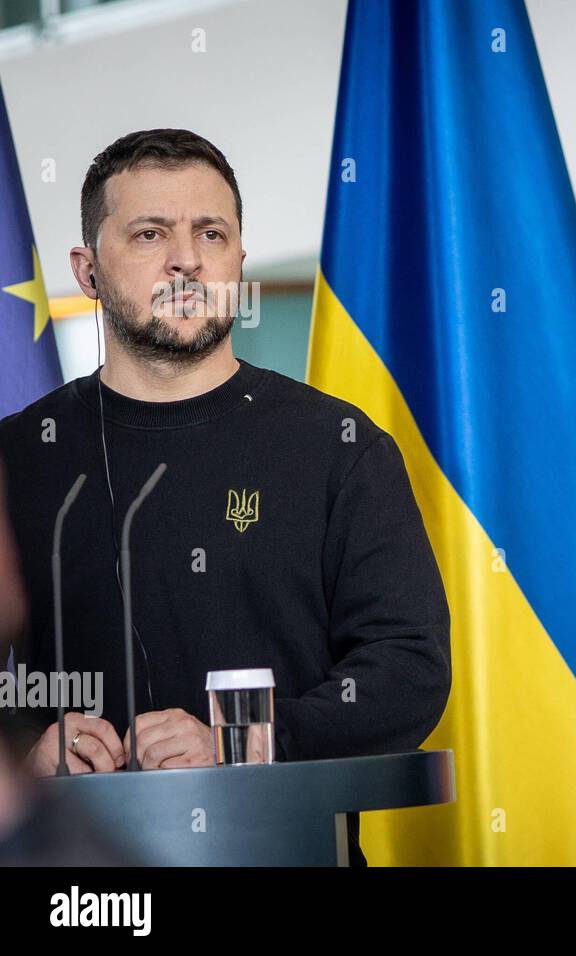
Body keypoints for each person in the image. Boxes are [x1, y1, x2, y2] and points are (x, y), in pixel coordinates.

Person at [0, 129, 451, 865]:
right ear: (86, 270)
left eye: (211, 233)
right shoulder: (16, 459)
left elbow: (409, 668)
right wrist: (20, 754)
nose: (186, 259)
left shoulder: (339, 447)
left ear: (238, 261)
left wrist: (252, 740)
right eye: (150, 233)